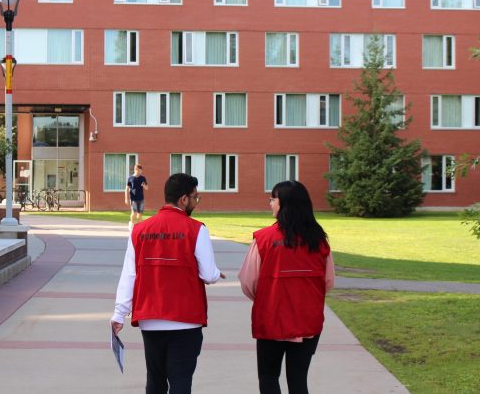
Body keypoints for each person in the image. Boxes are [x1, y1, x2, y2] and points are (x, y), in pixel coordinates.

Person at [111, 173, 225, 394]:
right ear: (184, 199)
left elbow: (129, 275)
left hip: (151, 319)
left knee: (155, 381)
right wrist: (217, 273)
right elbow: (209, 274)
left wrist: (119, 313)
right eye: (195, 197)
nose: (196, 202)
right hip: (186, 319)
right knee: (181, 381)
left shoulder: (140, 230)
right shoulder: (196, 229)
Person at [238, 180, 335, 394]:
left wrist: (268, 296)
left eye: (273, 199)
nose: (270, 203)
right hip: (307, 319)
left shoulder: (263, 239)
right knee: (299, 379)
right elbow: (328, 282)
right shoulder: (319, 241)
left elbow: (248, 282)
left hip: (272, 317)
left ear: (284, 204)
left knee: (268, 376)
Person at [125, 163, 148, 229]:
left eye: (141, 171)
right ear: (135, 170)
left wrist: (144, 185)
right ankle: (131, 224)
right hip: (133, 199)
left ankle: (140, 228)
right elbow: (127, 188)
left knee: (139, 215)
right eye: (139, 170)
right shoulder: (130, 178)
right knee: (134, 212)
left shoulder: (143, 178)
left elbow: (147, 188)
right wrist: (126, 198)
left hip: (141, 199)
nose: (140, 172)